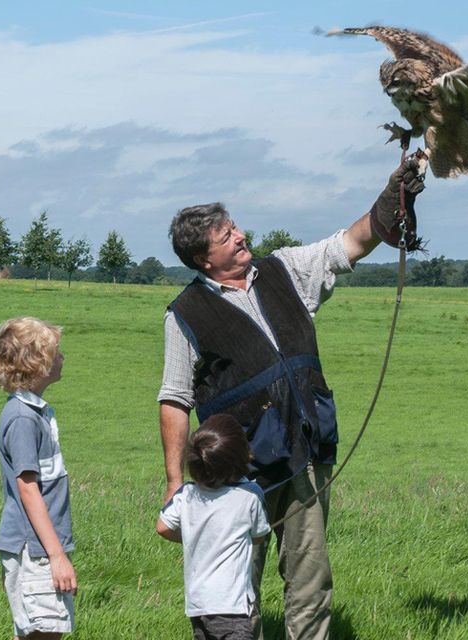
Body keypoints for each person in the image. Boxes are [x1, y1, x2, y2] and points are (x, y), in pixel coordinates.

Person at [157, 161, 424, 639]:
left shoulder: (284, 269)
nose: (240, 236)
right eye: (226, 236)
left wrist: (392, 198)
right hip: (240, 471)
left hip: (304, 452)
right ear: (203, 259)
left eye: (235, 226)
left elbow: (351, 243)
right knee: (237, 589)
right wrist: (175, 482)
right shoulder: (184, 314)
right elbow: (175, 399)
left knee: (310, 579)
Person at [0, 317, 76, 639]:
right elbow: (28, 490)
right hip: (34, 549)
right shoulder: (23, 419)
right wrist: (56, 556)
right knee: (46, 633)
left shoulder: (32, 412)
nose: (62, 357)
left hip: (39, 547)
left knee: (34, 633)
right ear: (37, 363)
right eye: (56, 352)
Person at [157, 414, 272, 640]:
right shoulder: (250, 495)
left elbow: (162, 527)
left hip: (198, 604)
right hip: (232, 607)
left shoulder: (186, 494)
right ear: (241, 457)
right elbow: (259, 536)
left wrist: (196, 536)